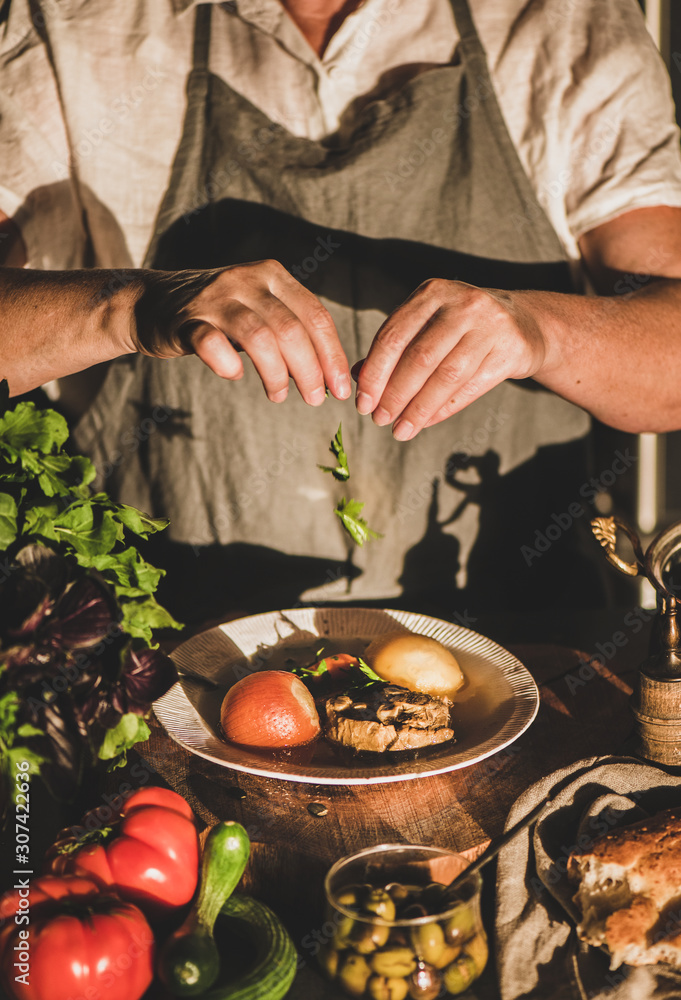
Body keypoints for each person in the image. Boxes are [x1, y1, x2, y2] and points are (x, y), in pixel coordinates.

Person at [1, 0, 681, 620]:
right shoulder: (79, 25)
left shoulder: (559, 21)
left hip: (519, 648)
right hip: (173, 655)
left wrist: (542, 330)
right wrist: (129, 307)